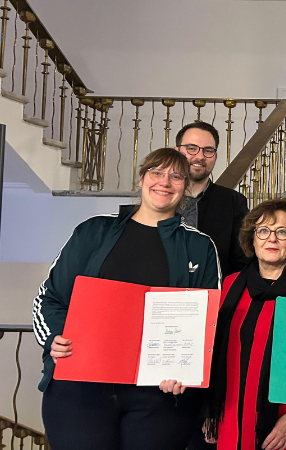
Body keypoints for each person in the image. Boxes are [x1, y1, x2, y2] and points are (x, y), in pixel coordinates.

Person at [33, 148, 221, 450]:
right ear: (141, 178)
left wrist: (186, 370)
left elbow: (206, 323)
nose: (164, 182)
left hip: (159, 398)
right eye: (156, 172)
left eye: (176, 176)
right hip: (80, 387)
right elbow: (49, 297)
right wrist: (54, 337)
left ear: (186, 187)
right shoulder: (93, 231)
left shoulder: (199, 247)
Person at [162, 200, 286, 450]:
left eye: (281, 232)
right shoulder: (229, 286)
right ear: (252, 239)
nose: (272, 239)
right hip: (232, 415)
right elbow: (208, 350)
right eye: (263, 231)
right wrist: (208, 407)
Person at [175, 121, 250, 276]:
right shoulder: (160, 196)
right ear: (177, 152)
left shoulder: (233, 202)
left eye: (208, 151)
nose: (200, 157)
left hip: (215, 288)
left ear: (215, 157)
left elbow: (243, 261)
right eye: (191, 148)